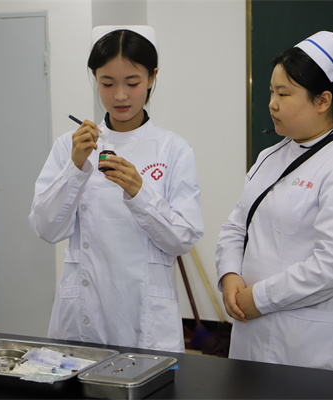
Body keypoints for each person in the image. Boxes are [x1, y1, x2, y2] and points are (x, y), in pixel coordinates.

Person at [215, 31, 333, 374]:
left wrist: (260, 298)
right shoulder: (269, 157)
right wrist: (230, 274)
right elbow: (237, 225)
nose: (272, 103)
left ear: (322, 101)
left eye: (283, 94)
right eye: (271, 92)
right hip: (252, 333)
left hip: (312, 346)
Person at [29, 25, 204, 353]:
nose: (120, 96)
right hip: (85, 311)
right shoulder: (71, 146)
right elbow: (46, 228)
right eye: (107, 83)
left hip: (145, 316)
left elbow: (182, 239)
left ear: (152, 77)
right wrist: (75, 168)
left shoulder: (173, 149)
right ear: (95, 78)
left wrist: (140, 193)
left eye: (132, 83)